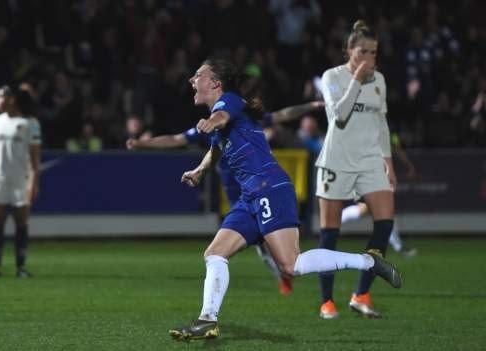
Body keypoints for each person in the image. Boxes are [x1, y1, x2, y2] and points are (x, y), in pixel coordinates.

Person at [168, 57, 401, 341]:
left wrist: (210, 121)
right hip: (249, 196)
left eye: (198, 75)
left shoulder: (227, 102)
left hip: (270, 188)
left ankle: (368, 262)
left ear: (215, 83)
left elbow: (221, 119)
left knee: (290, 266)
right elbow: (217, 148)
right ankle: (207, 320)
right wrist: (200, 170)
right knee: (215, 254)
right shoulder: (223, 119)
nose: (192, 80)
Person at [127, 101, 324, 296]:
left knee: (266, 242)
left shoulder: (245, 120)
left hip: (259, 188)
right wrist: (142, 143)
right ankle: (283, 274)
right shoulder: (211, 127)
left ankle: (287, 271)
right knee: (259, 246)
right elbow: (176, 139)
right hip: (238, 195)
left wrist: (309, 106)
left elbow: (283, 114)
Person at [315, 20, 397, 319]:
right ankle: (326, 301)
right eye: (363, 51)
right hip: (336, 160)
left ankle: (361, 293)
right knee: (330, 234)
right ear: (349, 50)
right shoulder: (332, 77)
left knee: (385, 224)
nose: (369, 58)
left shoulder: (380, 80)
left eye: (374, 53)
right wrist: (357, 79)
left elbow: (382, 124)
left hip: (369, 161)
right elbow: (339, 115)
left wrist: (388, 162)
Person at [0, 85, 41, 278]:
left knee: (21, 223)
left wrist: (34, 182)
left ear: (11, 99)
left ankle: (21, 266)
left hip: (20, 179)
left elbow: (35, 157)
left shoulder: (30, 123)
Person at [341, 132, 417, 259]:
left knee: (383, 212)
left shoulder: (389, 132)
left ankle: (399, 247)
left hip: (378, 176)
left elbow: (397, 149)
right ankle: (330, 225)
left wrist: (408, 165)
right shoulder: (365, 127)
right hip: (366, 175)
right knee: (371, 210)